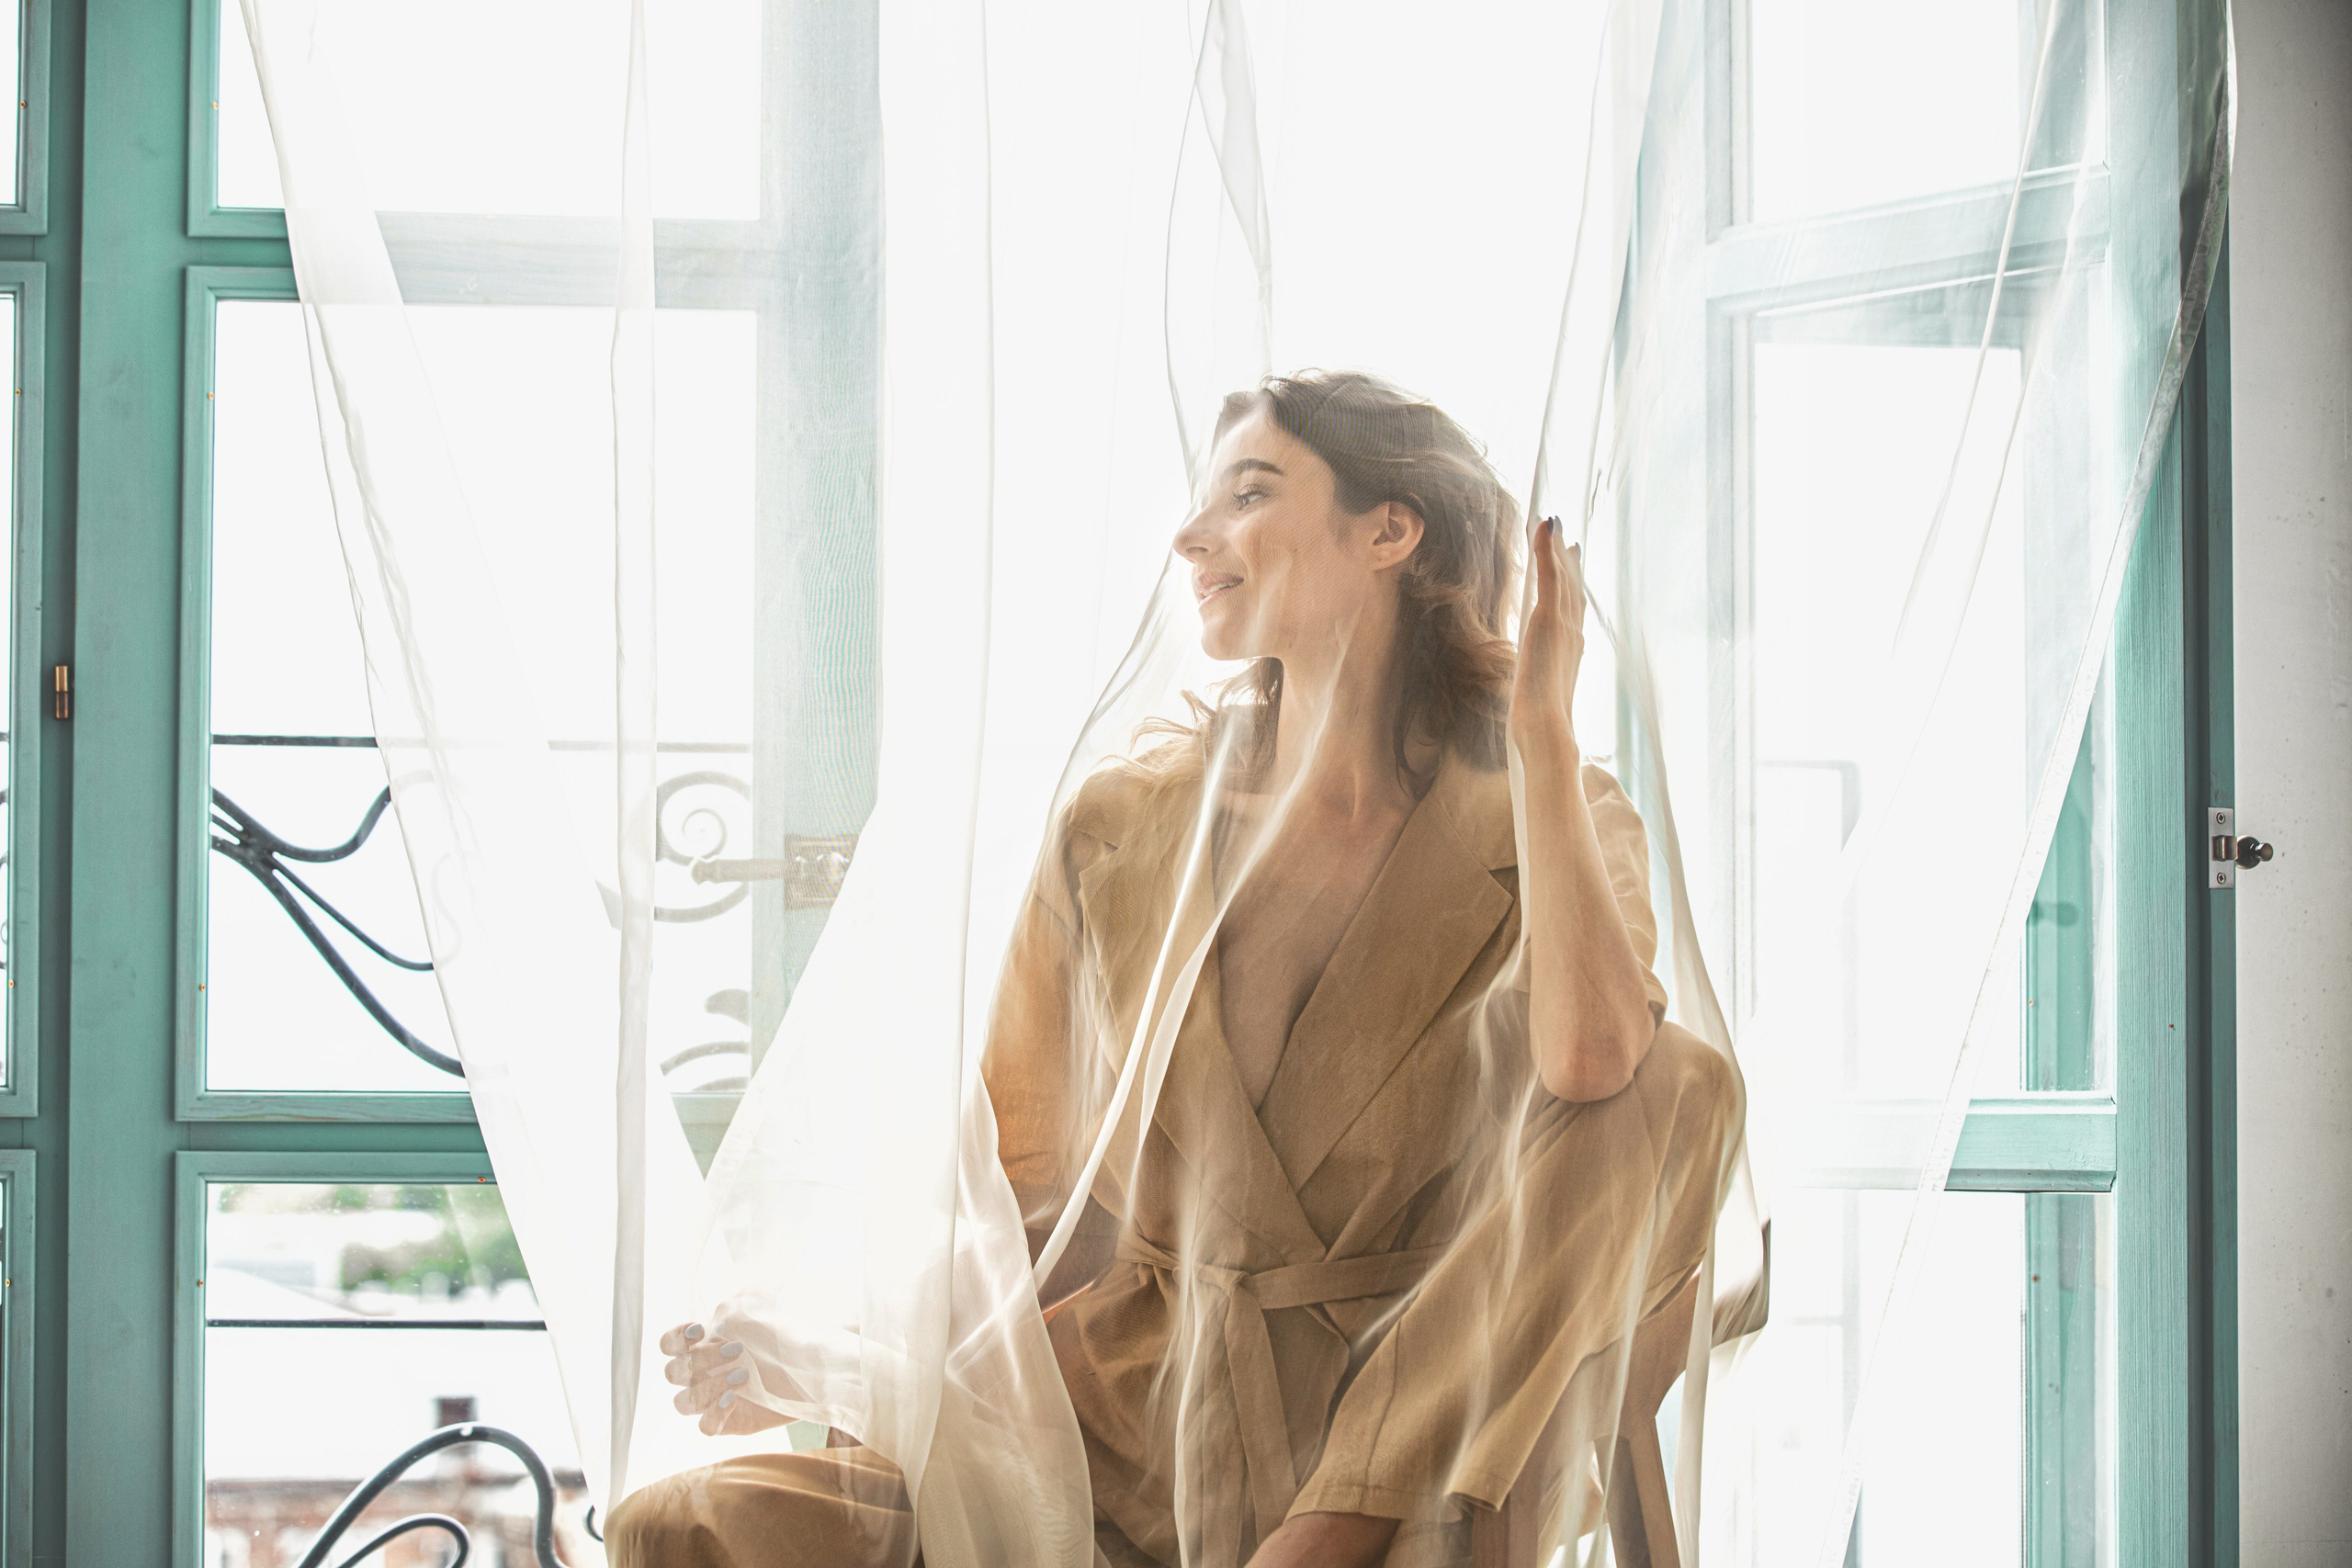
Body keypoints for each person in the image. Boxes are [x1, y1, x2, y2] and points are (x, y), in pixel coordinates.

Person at [608, 371, 1741, 1568]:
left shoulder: (1547, 817)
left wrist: (1546, 744)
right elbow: (1044, 1202)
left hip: (1422, 1448)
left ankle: (1329, 1529)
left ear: (1391, 530)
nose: (1193, 537)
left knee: (1676, 1085)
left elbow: (1596, 1061)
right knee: (686, 1525)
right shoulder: (1117, 826)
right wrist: (862, 1366)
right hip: (1132, 1427)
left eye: (1248, 495)